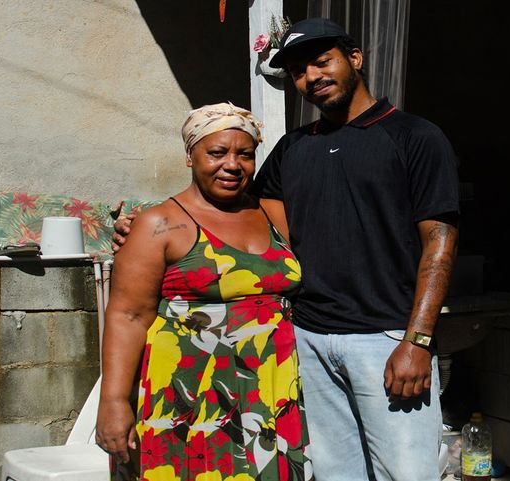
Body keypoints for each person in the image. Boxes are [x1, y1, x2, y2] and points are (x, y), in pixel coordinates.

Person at [114, 18, 459, 481]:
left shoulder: (415, 137)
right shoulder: (292, 150)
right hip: (308, 343)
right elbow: (231, 208)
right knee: (337, 475)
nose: (311, 77)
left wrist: (416, 340)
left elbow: (439, 243)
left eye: (322, 61)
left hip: (387, 339)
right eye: (298, 70)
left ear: (354, 59)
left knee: (406, 473)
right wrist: (143, 227)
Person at [96, 102, 313, 481]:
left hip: (271, 390)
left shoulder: (273, 213)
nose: (232, 164)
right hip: (191, 393)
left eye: (245, 154)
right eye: (217, 152)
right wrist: (113, 401)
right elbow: (128, 316)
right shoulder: (159, 224)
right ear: (190, 156)